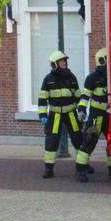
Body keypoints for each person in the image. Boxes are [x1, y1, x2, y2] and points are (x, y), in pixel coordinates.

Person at [76, 47, 111, 181]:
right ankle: (80, 171)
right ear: (102, 60)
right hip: (96, 116)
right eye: (108, 59)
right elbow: (85, 96)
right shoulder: (92, 78)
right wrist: (81, 110)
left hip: (110, 116)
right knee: (89, 141)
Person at [38, 50, 84, 180]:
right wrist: (42, 114)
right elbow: (42, 98)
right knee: (51, 141)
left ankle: (81, 167)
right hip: (55, 115)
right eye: (62, 61)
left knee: (77, 139)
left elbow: (78, 96)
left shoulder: (71, 77)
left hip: (71, 114)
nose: (64, 63)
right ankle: (49, 169)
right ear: (55, 64)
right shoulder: (48, 79)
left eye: (65, 61)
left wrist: (81, 110)